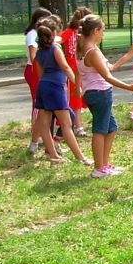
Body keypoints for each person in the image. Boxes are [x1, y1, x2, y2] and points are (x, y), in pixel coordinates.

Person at [77, 14, 133, 178]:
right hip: (99, 93)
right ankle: (98, 168)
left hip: (96, 92)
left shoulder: (86, 47)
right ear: (95, 31)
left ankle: (104, 164)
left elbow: (106, 67)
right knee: (100, 130)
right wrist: (128, 86)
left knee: (111, 128)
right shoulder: (91, 51)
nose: (103, 34)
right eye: (103, 30)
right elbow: (107, 76)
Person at [34, 18, 90, 165]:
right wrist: (76, 84)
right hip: (55, 88)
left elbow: (40, 74)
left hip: (43, 86)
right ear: (53, 32)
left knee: (45, 125)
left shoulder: (39, 52)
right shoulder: (55, 49)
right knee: (66, 124)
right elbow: (65, 67)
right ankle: (81, 157)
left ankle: (54, 156)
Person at [60, 6, 92, 137]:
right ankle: (77, 126)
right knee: (75, 97)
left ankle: (75, 124)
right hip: (72, 68)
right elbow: (58, 40)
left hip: (81, 66)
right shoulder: (70, 32)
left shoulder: (84, 35)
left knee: (81, 95)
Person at [24, 7, 53, 153]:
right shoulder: (33, 34)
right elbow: (33, 55)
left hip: (38, 69)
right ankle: (36, 134)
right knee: (38, 104)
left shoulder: (39, 34)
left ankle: (41, 133)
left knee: (41, 104)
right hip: (33, 69)